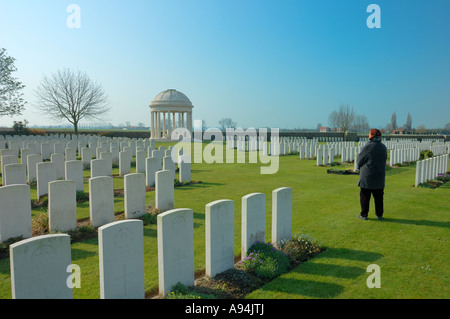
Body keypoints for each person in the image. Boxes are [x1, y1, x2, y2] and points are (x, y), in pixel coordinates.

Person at [356, 128, 387, 220]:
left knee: (365, 196)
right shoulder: (383, 147)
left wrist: (359, 167)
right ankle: (379, 215)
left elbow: (360, 160)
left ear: (372, 135)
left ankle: (364, 214)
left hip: (368, 176)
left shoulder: (368, 146)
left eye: (369, 134)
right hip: (380, 175)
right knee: (379, 197)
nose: (368, 135)